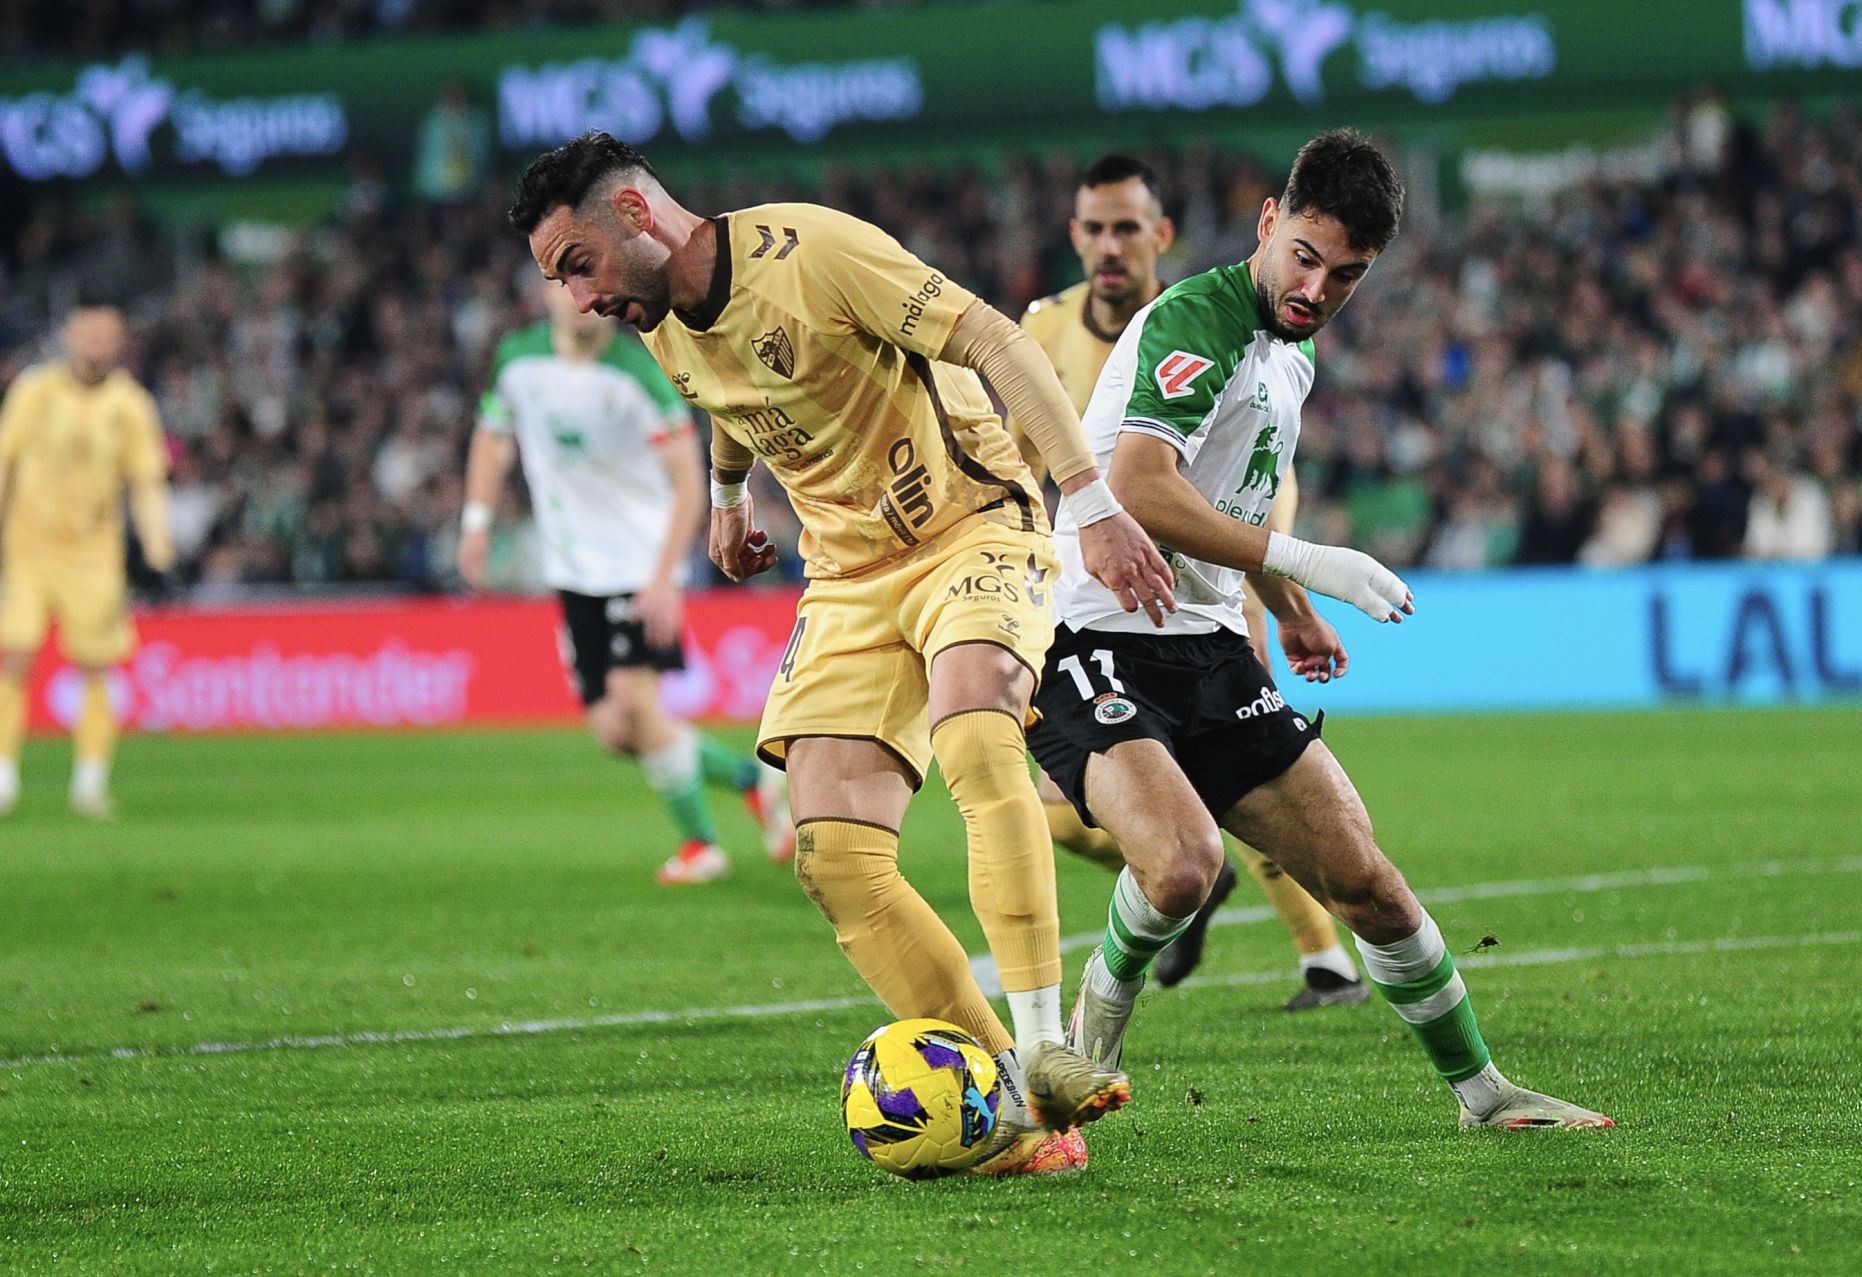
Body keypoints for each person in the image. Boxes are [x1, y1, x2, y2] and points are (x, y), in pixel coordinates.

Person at [507, 132, 1179, 1173]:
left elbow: (997, 341)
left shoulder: (811, 251)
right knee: (833, 858)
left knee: (972, 727)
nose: (580, 297)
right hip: (851, 575)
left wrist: (1088, 503)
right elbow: (729, 396)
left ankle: (1048, 1039)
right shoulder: (657, 322)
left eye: (576, 265)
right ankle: (1014, 1106)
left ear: (636, 217)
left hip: (969, 525)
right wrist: (728, 501)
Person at [1028, 131, 1613, 1130]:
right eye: (1303, 255)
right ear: (1268, 220)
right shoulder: (1198, 320)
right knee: (1179, 864)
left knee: (1367, 880)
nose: (1315, 288)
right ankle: (1096, 1020)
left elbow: (1234, 500)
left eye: (1344, 274)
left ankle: (1484, 1094)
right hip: (1090, 632)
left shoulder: (1290, 352)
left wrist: (1289, 609)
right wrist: (1312, 565)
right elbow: (1137, 488)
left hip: (1206, 641)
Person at [1015, 154, 1368, 1009]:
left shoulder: (1225, 323)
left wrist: (1279, 598)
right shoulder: (1042, 328)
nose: (1109, 245)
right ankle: (1189, 886)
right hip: (1085, 592)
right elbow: (1023, 458)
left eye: (1127, 228)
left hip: (1220, 582)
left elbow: (1256, 485)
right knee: (1075, 809)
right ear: (1074, 235)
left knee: (1245, 769)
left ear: (1159, 236)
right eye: (1094, 228)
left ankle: (1323, 955)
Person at [459, 277, 790, 884]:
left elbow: (691, 482)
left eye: (592, 286)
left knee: (638, 709)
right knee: (614, 731)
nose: (579, 298)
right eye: (565, 284)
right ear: (545, 291)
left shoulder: (639, 376)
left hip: (639, 568)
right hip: (572, 573)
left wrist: (665, 580)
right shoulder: (518, 360)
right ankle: (754, 780)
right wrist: (476, 523)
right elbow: (492, 437)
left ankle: (701, 846)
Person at [0, 302, 173, 818]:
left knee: (97, 667)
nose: (96, 341)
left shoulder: (132, 406)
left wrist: (159, 552)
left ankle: (90, 784)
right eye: (88, 331)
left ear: (119, 340)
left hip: (95, 554)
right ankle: (4, 779)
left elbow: (145, 483)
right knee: (16, 658)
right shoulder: (35, 391)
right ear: (71, 334)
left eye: (106, 333)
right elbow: (4, 459)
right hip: (29, 546)